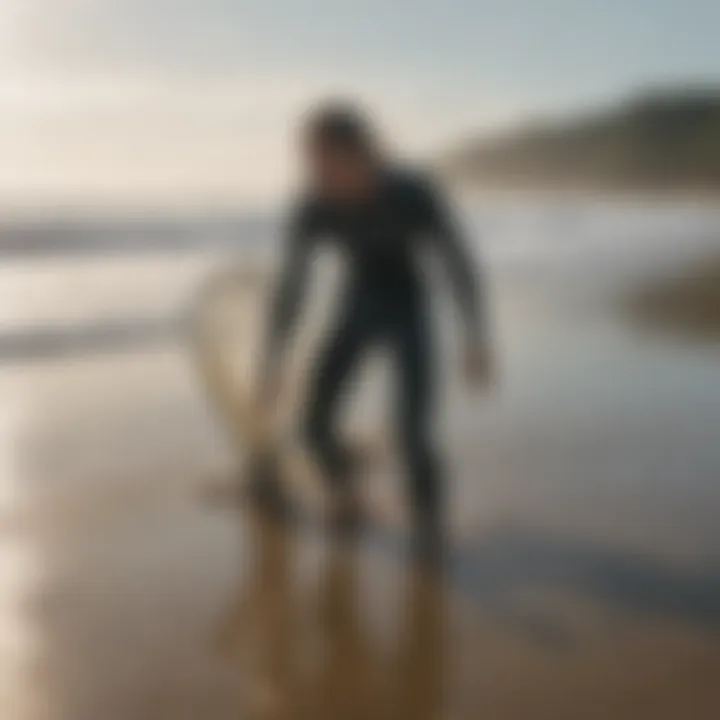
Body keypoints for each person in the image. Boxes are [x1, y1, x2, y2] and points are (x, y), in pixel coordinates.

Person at [258, 101, 491, 552]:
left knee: (413, 434)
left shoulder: (412, 192)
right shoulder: (313, 205)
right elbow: (292, 286)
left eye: (324, 160)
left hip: (409, 308)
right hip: (357, 304)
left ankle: (429, 525)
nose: (314, 173)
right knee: (313, 425)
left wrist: (475, 335)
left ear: (360, 154)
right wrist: (273, 360)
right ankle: (346, 488)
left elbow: (457, 260)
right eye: (309, 162)